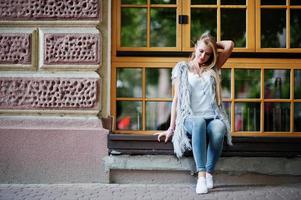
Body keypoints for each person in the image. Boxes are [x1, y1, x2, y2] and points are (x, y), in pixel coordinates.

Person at [155, 32, 234, 194]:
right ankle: (201, 176)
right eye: (201, 51)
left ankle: (209, 173)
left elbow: (230, 45)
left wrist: (211, 42)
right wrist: (170, 128)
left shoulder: (214, 67)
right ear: (195, 48)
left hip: (211, 117)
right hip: (189, 118)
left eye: (208, 53)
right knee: (198, 122)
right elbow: (176, 99)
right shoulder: (182, 68)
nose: (203, 56)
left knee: (219, 128)